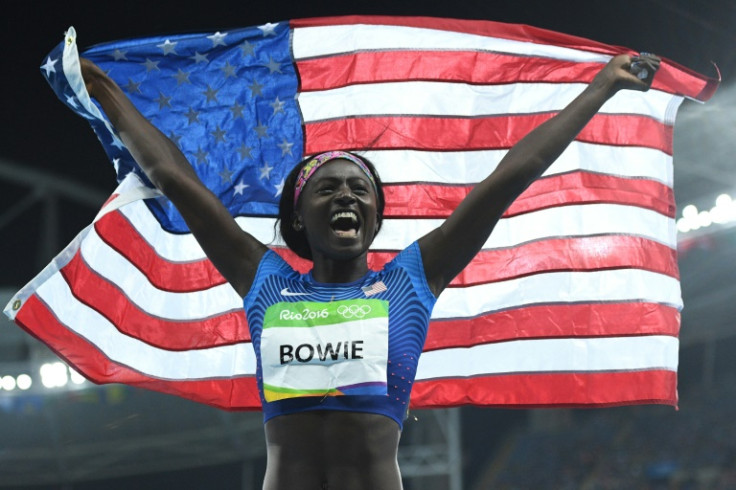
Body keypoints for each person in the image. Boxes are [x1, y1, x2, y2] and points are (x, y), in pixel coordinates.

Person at [78, 51, 659, 489]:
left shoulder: (410, 280)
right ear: (299, 218)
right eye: (327, 189)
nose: (346, 198)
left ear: (376, 217)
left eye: (360, 190)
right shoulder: (268, 281)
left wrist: (601, 87)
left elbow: (513, 174)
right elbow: (176, 179)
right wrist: (101, 87)